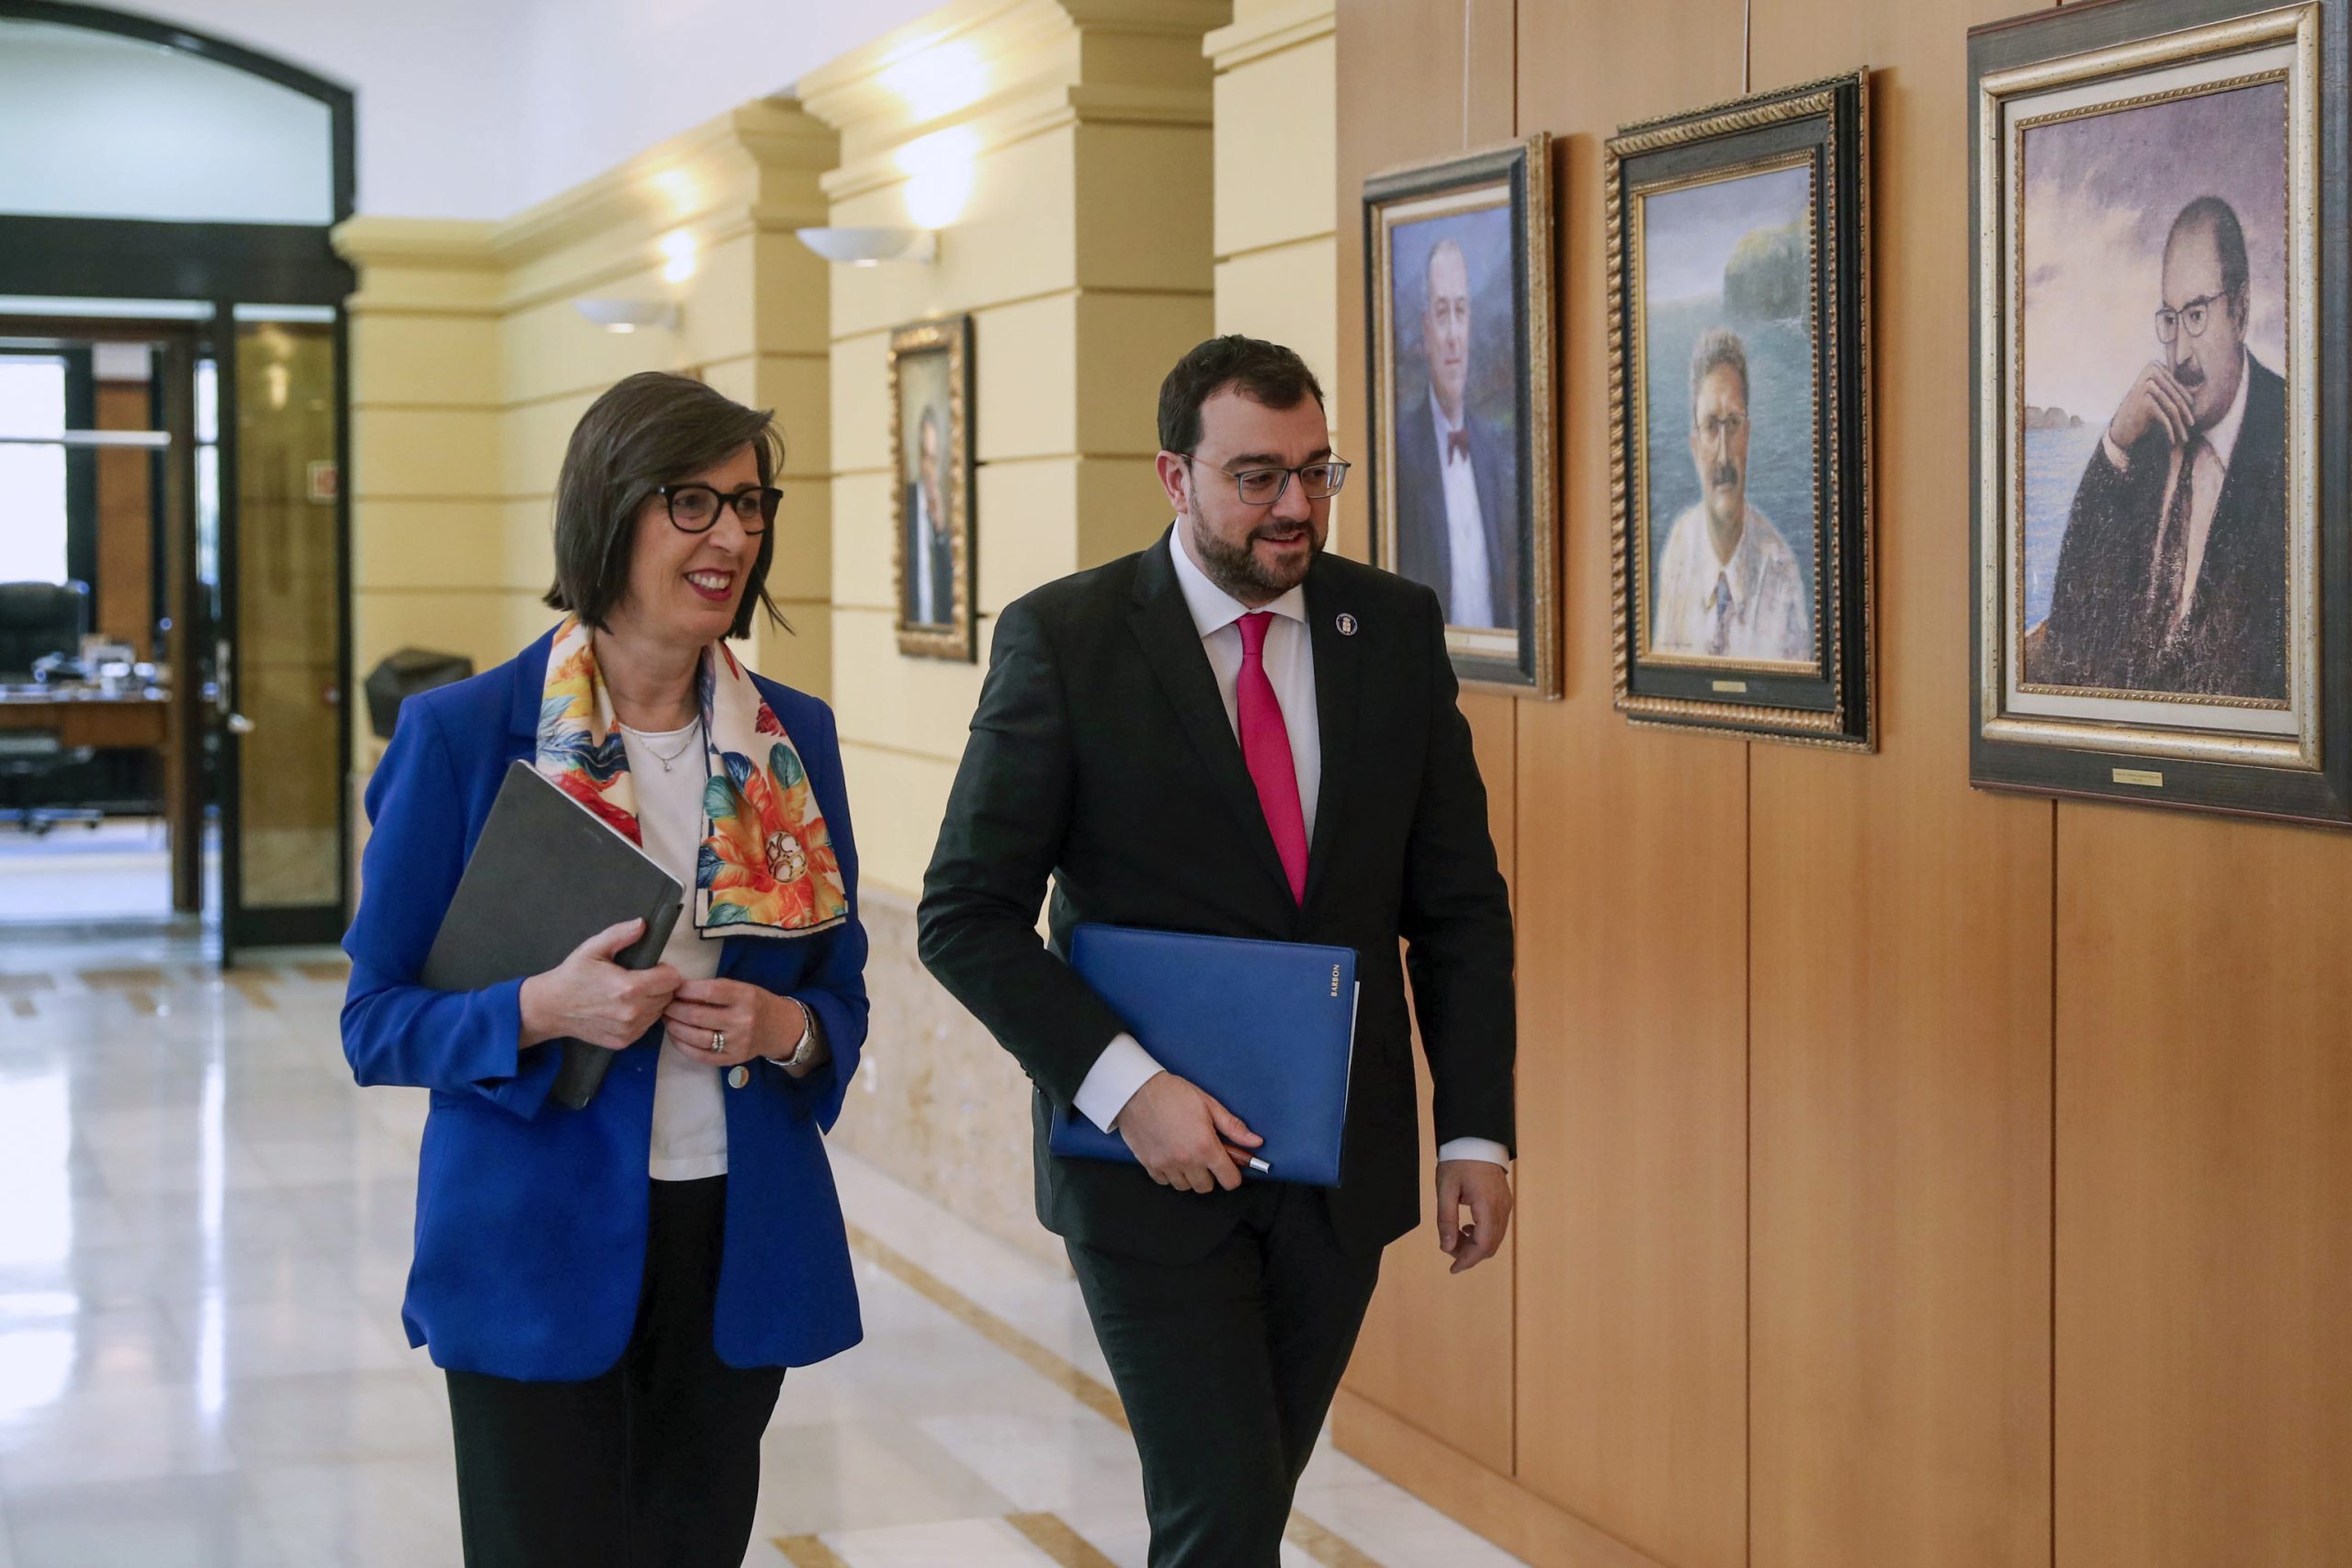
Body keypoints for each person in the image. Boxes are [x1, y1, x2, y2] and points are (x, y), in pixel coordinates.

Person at [919, 335, 1517, 1567]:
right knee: (1219, 1513)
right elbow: (963, 914)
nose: (1295, 505)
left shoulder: (1391, 629)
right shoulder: (1068, 640)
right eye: (1257, 475)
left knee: (1242, 1511)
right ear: (1173, 475)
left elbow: (1457, 907)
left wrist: (1474, 1128)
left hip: (1336, 1169)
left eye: (1317, 470)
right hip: (1148, 1176)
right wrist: (1131, 1090)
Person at [341, 372, 869, 1568]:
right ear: (609, 509)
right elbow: (377, 1021)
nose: (734, 534)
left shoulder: (794, 738)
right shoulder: (468, 734)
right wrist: (542, 1007)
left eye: (750, 503)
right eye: (694, 501)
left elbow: (843, 993)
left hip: (734, 1241)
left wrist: (787, 1025)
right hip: (533, 1247)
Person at [2029, 195, 2287, 699]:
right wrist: (2115, 443)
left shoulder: (2292, 437)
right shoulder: (2145, 440)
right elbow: (2075, 624)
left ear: (2240, 310)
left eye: (2196, 315)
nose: (2179, 352)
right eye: (2170, 319)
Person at [1650, 327, 1813, 662]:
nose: (1723, 455)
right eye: (1711, 426)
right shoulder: (1678, 554)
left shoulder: (1781, 578)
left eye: (1733, 424)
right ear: (1695, 447)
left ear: (1748, 437)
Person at [1391, 236, 1520, 629]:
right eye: (1441, 312)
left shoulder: (1492, 448)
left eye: (1460, 312)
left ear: (1470, 324)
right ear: (1426, 330)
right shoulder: (1400, 450)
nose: (1451, 335)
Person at [903, 400, 955, 626]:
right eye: (925, 458)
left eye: (934, 459)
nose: (929, 469)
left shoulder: (948, 509)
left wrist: (941, 528)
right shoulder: (907, 507)